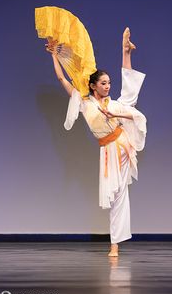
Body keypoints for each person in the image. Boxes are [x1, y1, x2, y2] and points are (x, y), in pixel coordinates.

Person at [46, 28, 147, 257]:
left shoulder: (112, 104)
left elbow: (131, 107)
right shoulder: (84, 103)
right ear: (93, 85)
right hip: (107, 151)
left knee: (120, 194)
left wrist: (118, 116)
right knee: (116, 197)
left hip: (121, 146)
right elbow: (62, 78)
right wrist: (54, 55)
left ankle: (115, 245)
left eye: (109, 82)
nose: (107, 86)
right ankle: (115, 243)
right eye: (103, 83)